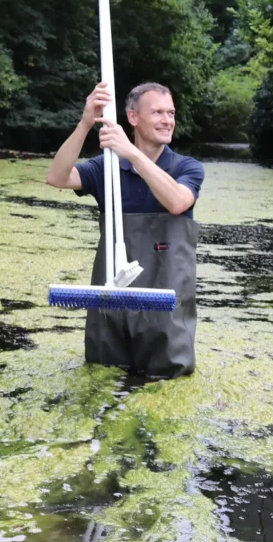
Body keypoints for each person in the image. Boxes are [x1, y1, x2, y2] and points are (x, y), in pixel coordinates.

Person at [46, 82, 204, 378]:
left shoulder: (187, 168)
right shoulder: (106, 169)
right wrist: (85, 123)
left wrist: (131, 154)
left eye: (171, 113)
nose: (167, 120)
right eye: (157, 112)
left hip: (166, 309)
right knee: (103, 386)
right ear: (133, 118)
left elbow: (178, 202)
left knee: (167, 391)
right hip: (111, 303)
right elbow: (57, 177)